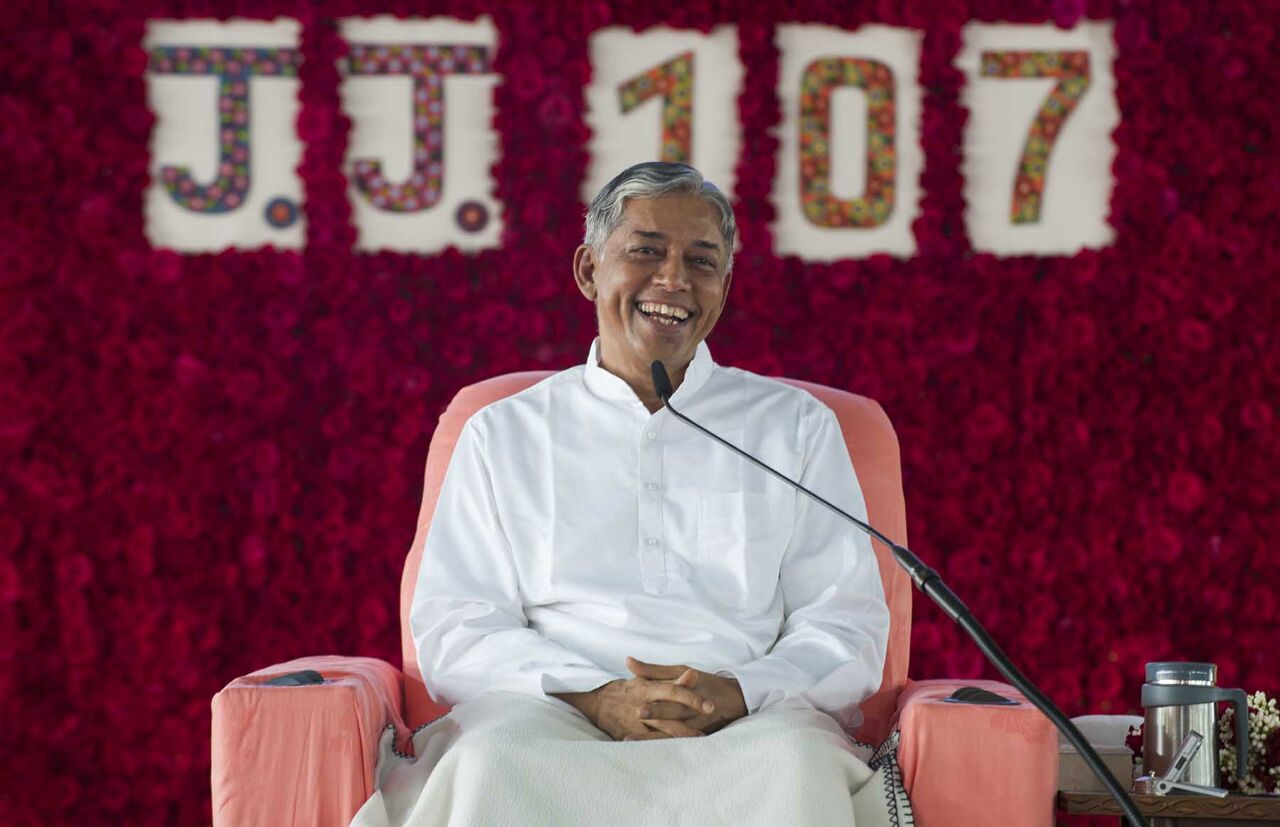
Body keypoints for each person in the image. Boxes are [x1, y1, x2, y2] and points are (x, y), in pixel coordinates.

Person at [351, 163, 902, 827]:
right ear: (588, 269)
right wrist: (596, 694)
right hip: (547, 716)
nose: (673, 280)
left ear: (723, 288)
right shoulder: (504, 431)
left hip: (748, 724)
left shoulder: (793, 427)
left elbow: (844, 620)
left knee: (795, 765)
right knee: (490, 761)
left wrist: (738, 692)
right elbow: (456, 623)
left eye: (702, 261)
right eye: (646, 251)